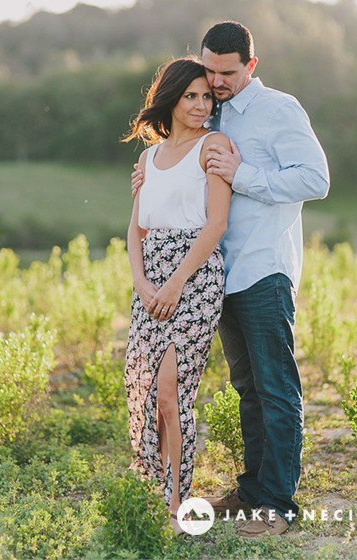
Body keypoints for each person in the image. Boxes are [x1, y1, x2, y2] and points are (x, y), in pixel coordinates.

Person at [132, 21, 330, 538]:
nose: (215, 82)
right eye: (210, 71)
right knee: (246, 388)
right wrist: (151, 176)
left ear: (251, 65)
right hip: (218, 274)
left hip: (264, 267)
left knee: (276, 387)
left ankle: (279, 506)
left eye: (226, 73)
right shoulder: (210, 111)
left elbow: (316, 178)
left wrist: (244, 175)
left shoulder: (279, 110)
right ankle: (252, 489)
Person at [121, 56, 232, 534]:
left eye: (206, 96)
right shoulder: (148, 158)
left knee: (172, 392)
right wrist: (141, 282)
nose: (201, 104)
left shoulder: (215, 146)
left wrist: (175, 282)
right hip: (151, 280)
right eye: (191, 95)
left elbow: (216, 225)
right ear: (170, 98)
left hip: (196, 276)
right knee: (147, 390)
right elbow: (136, 229)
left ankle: (176, 505)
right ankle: (155, 485)